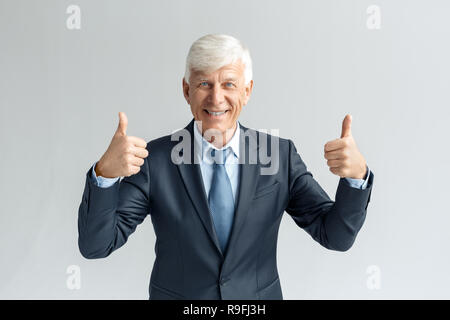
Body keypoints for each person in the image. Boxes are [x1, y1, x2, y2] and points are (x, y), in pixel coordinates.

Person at [78, 34, 374, 300]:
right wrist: (104, 175)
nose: (216, 98)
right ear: (186, 90)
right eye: (204, 83)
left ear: (247, 90)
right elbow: (96, 246)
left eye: (229, 84)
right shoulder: (155, 160)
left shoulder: (278, 156)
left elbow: (335, 236)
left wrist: (356, 179)